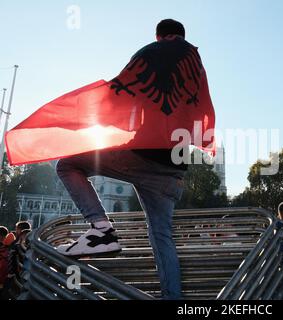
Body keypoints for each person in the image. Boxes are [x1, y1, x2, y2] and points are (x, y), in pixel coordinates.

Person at [54, 19, 208, 300]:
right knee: (162, 238)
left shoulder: (152, 53)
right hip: (174, 168)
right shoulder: (196, 67)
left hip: (144, 155)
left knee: (67, 165)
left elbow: (123, 92)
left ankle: (101, 229)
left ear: (159, 36)